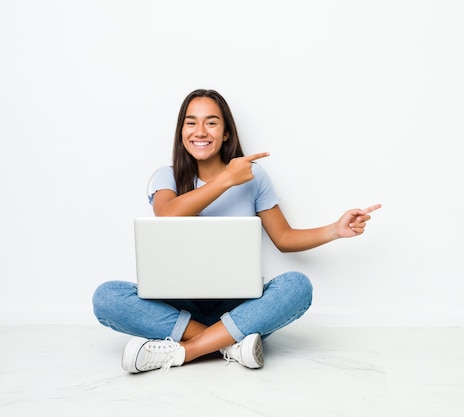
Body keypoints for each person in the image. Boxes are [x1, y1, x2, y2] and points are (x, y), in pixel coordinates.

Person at [92, 89, 381, 373]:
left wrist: (335, 229)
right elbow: (168, 213)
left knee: (297, 286)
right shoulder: (166, 176)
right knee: (106, 297)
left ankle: (186, 350)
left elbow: (284, 238)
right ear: (181, 132)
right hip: (177, 305)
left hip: (238, 304)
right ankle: (229, 343)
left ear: (226, 132)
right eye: (191, 122)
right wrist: (226, 180)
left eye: (212, 122)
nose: (200, 131)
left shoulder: (255, 177)